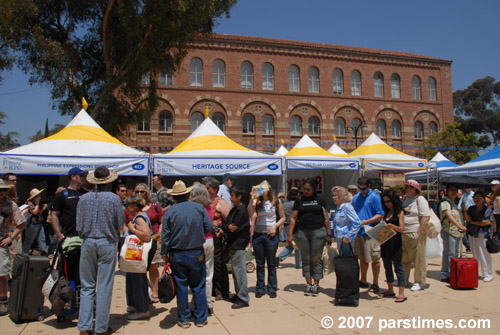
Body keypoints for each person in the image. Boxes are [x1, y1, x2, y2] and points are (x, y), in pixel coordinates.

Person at [76, 166, 124, 335]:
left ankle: (84, 326)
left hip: (88, 241)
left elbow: (79, 226)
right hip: (107, 242)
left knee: (87, 286)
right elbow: (119, 225)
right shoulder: (114, 199)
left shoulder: (83, 199)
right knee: (104, 286)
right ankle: (101, 328)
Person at [161, 180, 213, 329]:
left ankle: (184, 318)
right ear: (188, 194)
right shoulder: (198, 208)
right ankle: (200, 318)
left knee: (181, 286)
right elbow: (209, 227)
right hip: (196, 252)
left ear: (174, 197)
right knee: (198, 285)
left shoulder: (170, 211)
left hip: (177, 253)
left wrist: (164, 253)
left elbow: (165, 237)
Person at [287, 179, 330, 296]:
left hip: (318, 231)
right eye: (304, 189)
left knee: (316, 258)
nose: (305, 191)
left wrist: (329, 234)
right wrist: (290, 235)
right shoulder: (299, 200)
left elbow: (326, 217)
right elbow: (293, 218)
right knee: (306, 258)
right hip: (302, 232)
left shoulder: (320, 199)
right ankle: (308, 283)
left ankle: (316, 283)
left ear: (314, 189)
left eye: (308, 189)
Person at [125, 183, 163, 303]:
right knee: (139, 267)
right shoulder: (130, 208)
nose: (140, 194)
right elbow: (125, 223)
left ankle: (155, 291)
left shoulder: (155, 206)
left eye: (142, 191)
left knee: (153, 266)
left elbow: (161, 221)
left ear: (147, 192)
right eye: (137, 192)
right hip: (136, 243)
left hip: (154, 240)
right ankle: (147, 290)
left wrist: (159, 235)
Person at [248, 180, 285, 298]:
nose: (262, 191)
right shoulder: (256, 202)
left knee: (271, 263)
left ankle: (272, 287)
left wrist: (275, 226)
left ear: (269, 189)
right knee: (259, 263)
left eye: (264, 189)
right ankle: (260, 287)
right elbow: (250, 213)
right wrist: (251, 198)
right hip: (259, 235)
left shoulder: (276, 202)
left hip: (271, 235)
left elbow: (283, 218)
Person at [352, 177, 384, 293]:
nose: (362, 191)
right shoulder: (356, 197)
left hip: (372, 232)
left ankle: (375, 283)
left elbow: (380, 214)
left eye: (364, 188)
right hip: (359, 232)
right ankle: (363, 280)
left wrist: (367, 221)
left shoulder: (375, 197)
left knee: (375, 258)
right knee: (362, 258)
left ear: (369, 186)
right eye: (360, 188)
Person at [123, 195, 153, 320]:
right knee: (134, 279)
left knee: (138, 281)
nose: (127, 209)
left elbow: (146, 236)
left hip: (137, 255)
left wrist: (132, 229)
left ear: (135, 206)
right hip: (135, 255)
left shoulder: (140, 219)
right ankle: (136, 305)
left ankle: (142, 309)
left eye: (128, 206)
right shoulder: (139, 217)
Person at [0, 179, 26, 316]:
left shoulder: (10, 205)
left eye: (3, 190)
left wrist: (11, 237)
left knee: (2, 274)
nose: (1, 193)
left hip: (1, 242)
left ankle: (3, 303)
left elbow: (21, 223)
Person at [189, 182, 215, 315]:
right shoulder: (208, 207)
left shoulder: (193, 207)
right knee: (208, 274)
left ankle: (196, 304)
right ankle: (208, 302)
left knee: (196, 275)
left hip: (197, 242)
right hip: (209, 240)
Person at [222, 187, 250, 309]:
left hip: (238, 244)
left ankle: (243, 297)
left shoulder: (242, 210)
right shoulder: (234, 210)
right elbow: (226, 224)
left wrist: (228, 228)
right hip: (232, 244)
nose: (230, 198)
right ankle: (239, 294)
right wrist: (227, 227)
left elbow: (234, 228)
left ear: (239, 197)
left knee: (239, 272)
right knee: (235, 272)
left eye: (232, 195)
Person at [401, 180, 430, 291]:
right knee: (405, 258)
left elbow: (425, 217)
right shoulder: (405, 199)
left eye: (409, 187)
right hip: (404, 232)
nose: (406, 189)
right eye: (406, 187)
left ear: (415, 189)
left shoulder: (420, 199)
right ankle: (404, 279)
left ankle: (419, 281)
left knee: (418, 259)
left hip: (415, 232)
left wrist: (419, 232)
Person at [204, 177, 230, 301]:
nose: (205, 189)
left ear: (215, 189)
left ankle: (221, 290)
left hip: (216, 236)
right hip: (206, 236)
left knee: (218, 263)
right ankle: (212, 289)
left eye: (208, 188)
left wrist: (222, 231)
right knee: (208, 264)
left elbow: (229, 219)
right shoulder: (204, 201)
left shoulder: (220, 202)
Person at [379, 190, 407, 303]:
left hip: (396, 243)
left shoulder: (399, 212)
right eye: (385, 202)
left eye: (389, 201)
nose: (387, 204)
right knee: (387, 267)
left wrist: (391, 226)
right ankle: (390, 290)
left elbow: (402, 228)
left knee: (398, 267)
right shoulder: (385, 213)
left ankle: (401, 292)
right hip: (385, 242)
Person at [463, 191, 493, 282]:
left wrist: (473, 222)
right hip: (473, 234)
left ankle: (488, 273)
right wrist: (464, 210)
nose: (477, 199)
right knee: (475, 255)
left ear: (483, 199)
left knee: (484, 254)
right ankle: (475, 272)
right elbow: (468, 220)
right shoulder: (471, 209)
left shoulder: (487, 209)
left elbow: (487, 222)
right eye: (475, 197)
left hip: (483, 234)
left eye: (479, 197)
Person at [439, 184, 467, 282]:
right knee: (449, 253)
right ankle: (447, 273)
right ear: (447, 191)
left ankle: (452, 272)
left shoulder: (454, 203)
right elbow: (449, 216)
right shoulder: (445, 202)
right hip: (449, 231)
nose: (454, 192)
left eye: (455, 190)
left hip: (456, 232)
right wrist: (460, 226)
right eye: (452, 190)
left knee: (454, 253)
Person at [52, 167, 87, 241]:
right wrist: (59, 235)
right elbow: (54, 215)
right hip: (68, 236)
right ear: (73, 177)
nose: (84, 178)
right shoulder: (62, 195)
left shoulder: (87, 194)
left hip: (85, 236)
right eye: (81, 175)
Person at [331, 186, 361, 255]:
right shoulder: (337, 208)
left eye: (335, 196)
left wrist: (348, 236)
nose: (333, 198)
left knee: (347, 261)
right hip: (339, 238)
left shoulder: (347, 207)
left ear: (341, 196)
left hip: (346, 240)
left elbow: (357, 223)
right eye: (333, 196)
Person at [276, 188, 302, 268]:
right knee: (298, 245)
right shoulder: (296, 204)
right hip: (294, 226)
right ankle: (299, 264)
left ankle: (280, 257)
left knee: (292, 244)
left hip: (286, 226)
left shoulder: (284, 204)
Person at [22, 188, 47, 255]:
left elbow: (38, 213)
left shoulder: (35, 203)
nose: (40, 196)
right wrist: (38, 204)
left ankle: (43, 252)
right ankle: (24, 253)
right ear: (35, 197)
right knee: (29, 240)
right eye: (38, 195)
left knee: (42, 238)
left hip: (39, 223)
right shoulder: (29, 203)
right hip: (32, 224)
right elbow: (34, 212)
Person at [458, 187, 475, 252]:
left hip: (472, 212)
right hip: (465, 212)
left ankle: (471, 245)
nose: (467, 189)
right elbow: (460, 203)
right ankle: (469, 246)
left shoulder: (473, 194)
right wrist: (459, 209)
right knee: (466, 228)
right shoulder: (464, 195)